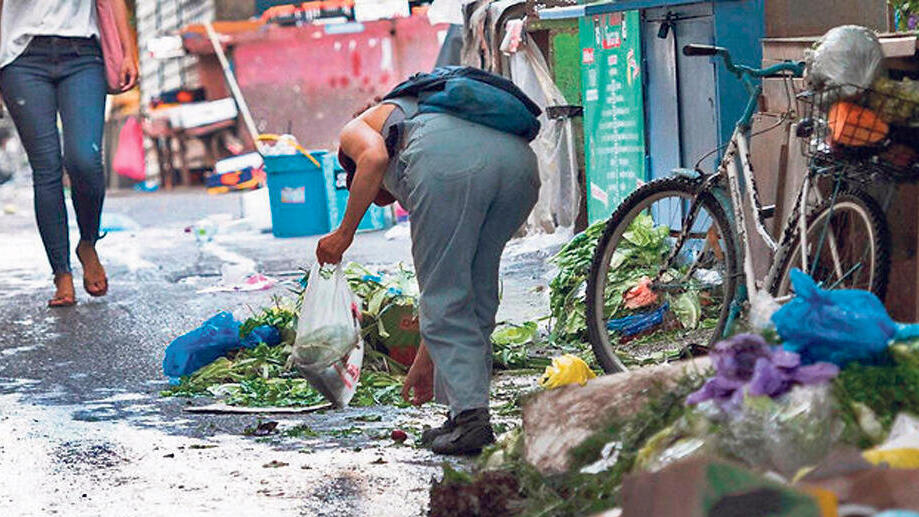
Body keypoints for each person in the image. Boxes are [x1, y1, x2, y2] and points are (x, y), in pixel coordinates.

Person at [316, 93, 540, 455]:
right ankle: (464, 413)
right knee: (476, 292)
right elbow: (452, 287)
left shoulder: (355, 131)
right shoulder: (431, 110)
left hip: (451, 168)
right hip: (520, 167)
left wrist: (343, 234)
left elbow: (372, 159)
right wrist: (427, 356)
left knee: (447, 293)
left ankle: (470, 420)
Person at [0, 0, 138, 307]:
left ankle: (87, 242)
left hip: (83, 55)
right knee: (46, 167)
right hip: (22, 56)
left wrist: (128, 53)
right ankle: (61, 273)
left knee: (85, 160)